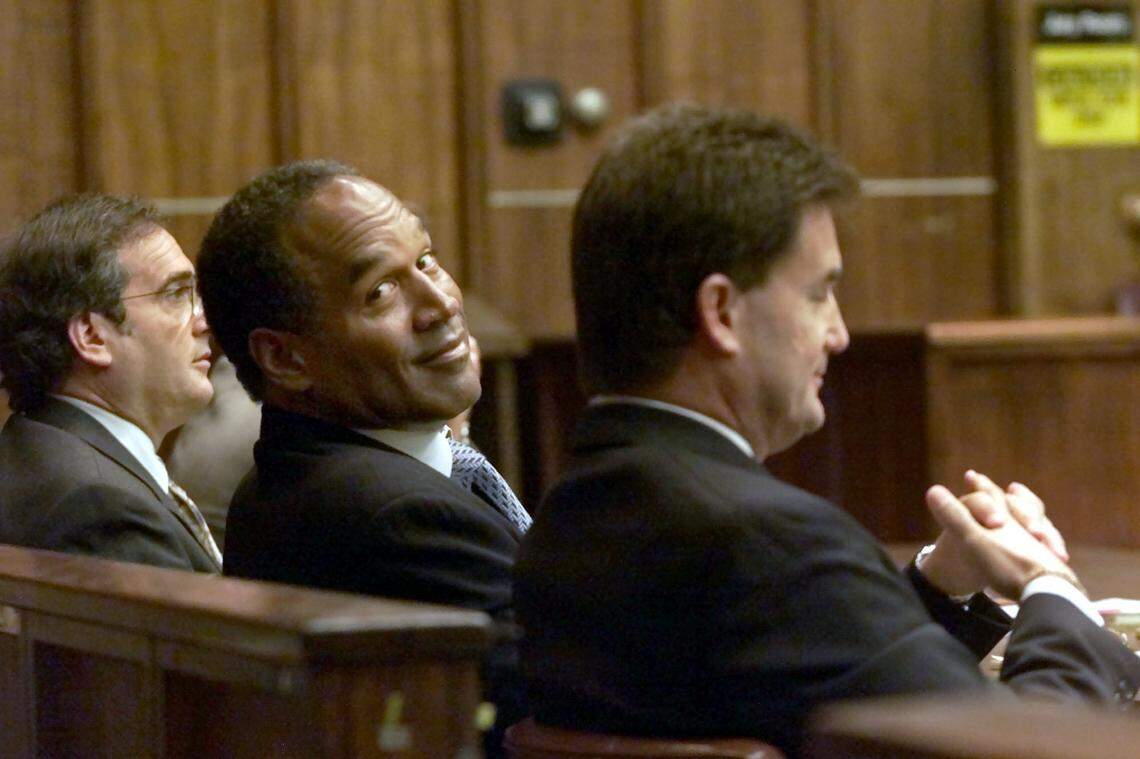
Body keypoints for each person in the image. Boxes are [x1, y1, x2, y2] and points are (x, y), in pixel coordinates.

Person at [513, 103, 1140, 756]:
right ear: (722, 312)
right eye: (818, 294)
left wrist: (936, 586)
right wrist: (1052, 589)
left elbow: (807, 672)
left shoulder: (571, 517)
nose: (838, 334)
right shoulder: (770, 544)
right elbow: (1021, 748)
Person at [195, 160, 528, 756]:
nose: (440, 304)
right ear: (286, 359)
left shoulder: (293, 477)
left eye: (425, 262)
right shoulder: (398, 515)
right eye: (380, 291)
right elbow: (589, 699)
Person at [0, 194, 221, 572]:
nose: (204, 322)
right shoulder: (99, 506)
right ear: (92, 336)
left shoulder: (35, 447)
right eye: (175, 294)